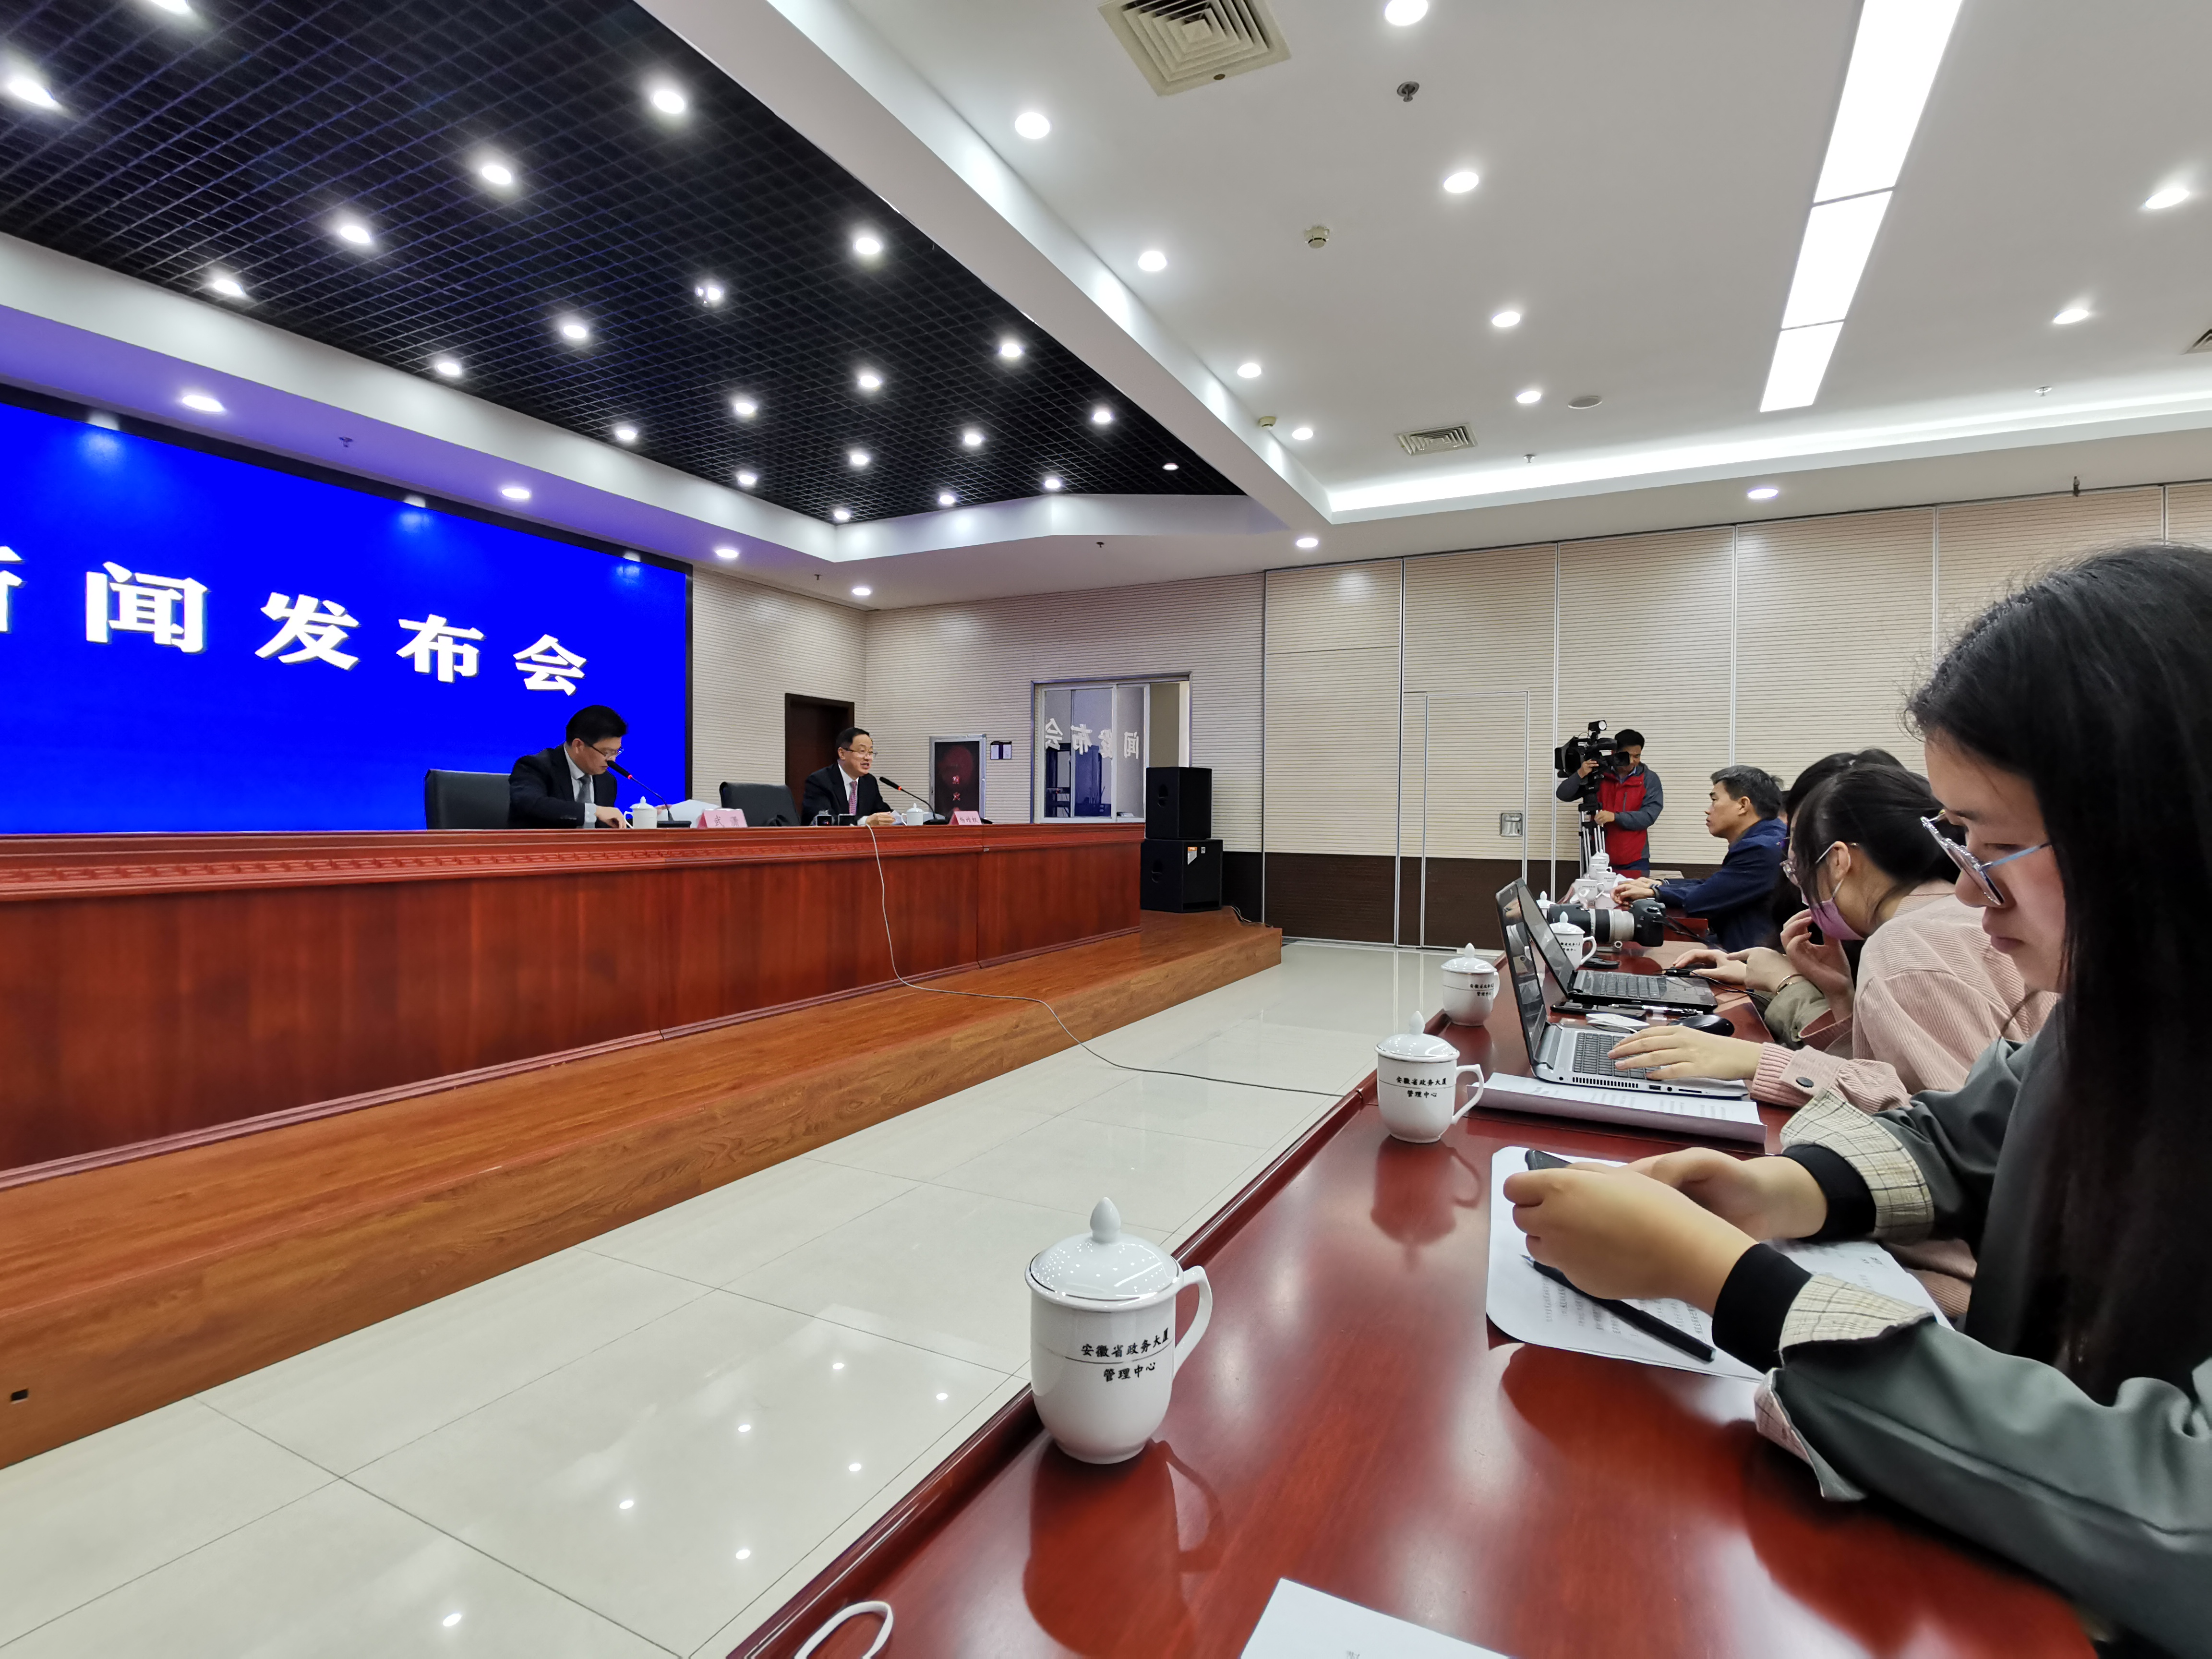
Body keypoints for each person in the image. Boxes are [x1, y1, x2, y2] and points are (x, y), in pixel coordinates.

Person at [1503, 545, 2212, 1656]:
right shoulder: (2118, 1009)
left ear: (2160, 831)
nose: (1967, 892)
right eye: (1957, 843)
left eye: (1997, 847)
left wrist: (1725, 1279)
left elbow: (2182, 1516)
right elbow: (1963, 1135)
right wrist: (1778, 1190)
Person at [1614, 765, 1785, 951]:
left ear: (1743, 805)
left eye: (1714, 800)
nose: (1708, 810)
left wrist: (1655, 892)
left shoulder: (1761, 848)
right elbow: (1717, 885)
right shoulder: (1769, 837)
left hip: (1751, 958)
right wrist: (1660, 885)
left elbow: (1701, 900)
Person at [1551, 728, 1661, 874]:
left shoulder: (1649, 779)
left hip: (1635, 860)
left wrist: (1615, 817)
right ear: (1614, 753)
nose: (1633, 761)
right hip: (1598, 858)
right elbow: (1563, 795)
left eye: (1637, 756)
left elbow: (1649, 816)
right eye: (1627, 756)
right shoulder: (1599, 774)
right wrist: (1580, 774)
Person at [509, 704, 629, 828]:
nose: (613, 759)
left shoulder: (607, 781)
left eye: (617, 752)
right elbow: (531, 804)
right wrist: (592, 811)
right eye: (606, 752)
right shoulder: (534, 767)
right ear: (578, 746)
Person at [800, 726, 896, 826]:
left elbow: (881, 812)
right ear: (842, 754)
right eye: (862, 751)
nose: (868, 758)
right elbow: (824, 820)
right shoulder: (820, 781)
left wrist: (902, 818)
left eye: (871, 752)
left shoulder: (869, 781)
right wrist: (864, 821)